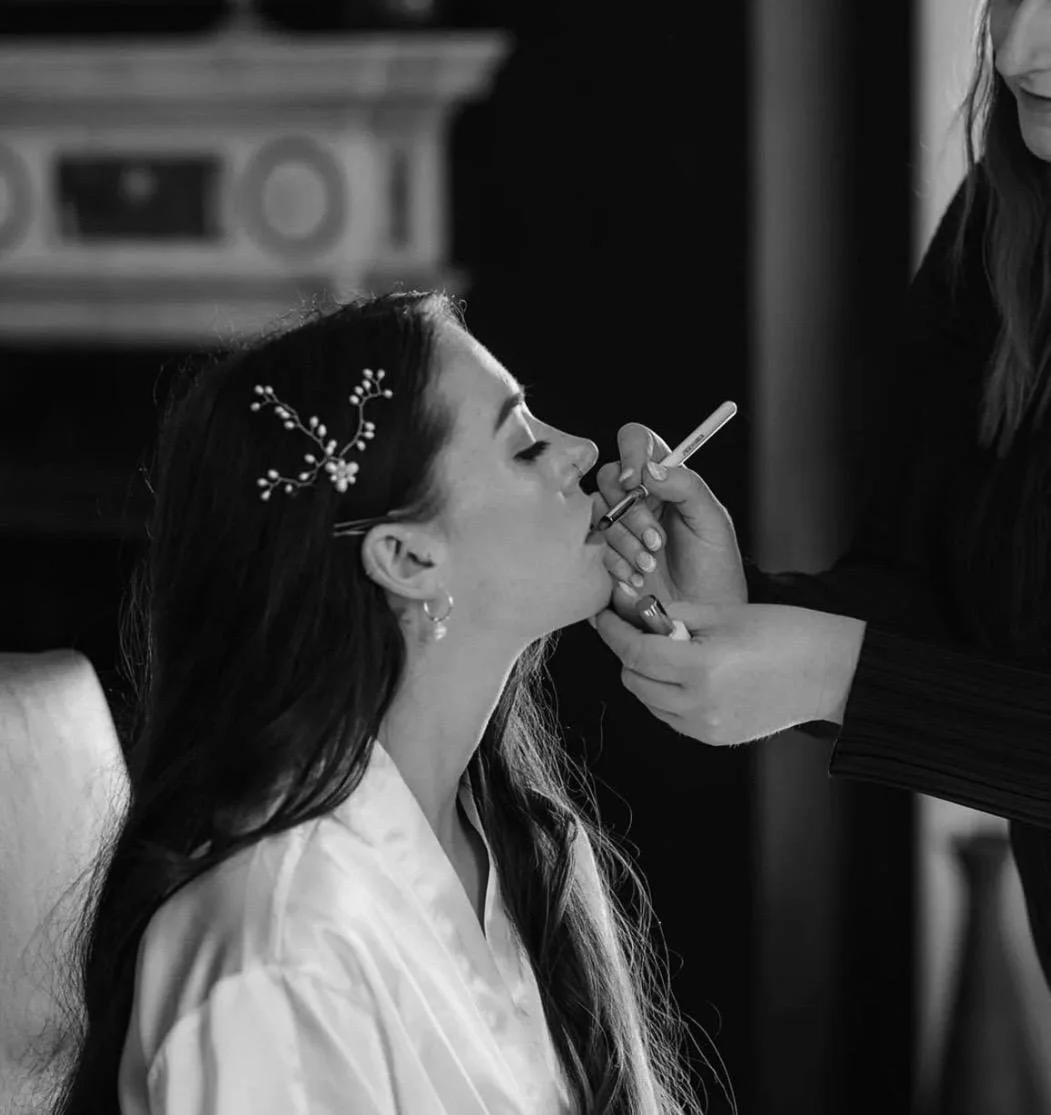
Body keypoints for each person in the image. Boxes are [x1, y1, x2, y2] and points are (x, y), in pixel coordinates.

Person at [53, 292, 720, 1115]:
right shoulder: (276, 948)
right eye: (521, 444)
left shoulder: (515, 847)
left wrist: (727, 624)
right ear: (406, 555)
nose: (581, 450)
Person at [588, 0, 1051, 986]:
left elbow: (882, 665)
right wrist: (735, 602)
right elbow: (929, 597)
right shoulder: (1006, 220)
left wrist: (839, 675)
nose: (1015, 52)